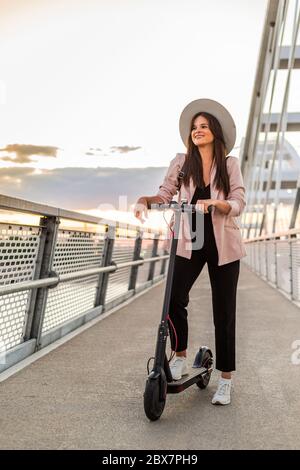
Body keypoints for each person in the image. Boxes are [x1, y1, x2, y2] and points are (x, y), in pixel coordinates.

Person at [134, 98, 246, 405]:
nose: (198, 131)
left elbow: (238, 201)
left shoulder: (229, 165)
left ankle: (225, 379)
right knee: (173, 298)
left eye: (204, 126)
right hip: (190, 239)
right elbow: (163, 194)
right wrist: (145, 201)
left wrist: (218, 204)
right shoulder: (182, 163)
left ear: (215, 132)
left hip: (223, 243)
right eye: (195, 127)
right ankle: (180, 355)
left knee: (224, 312)